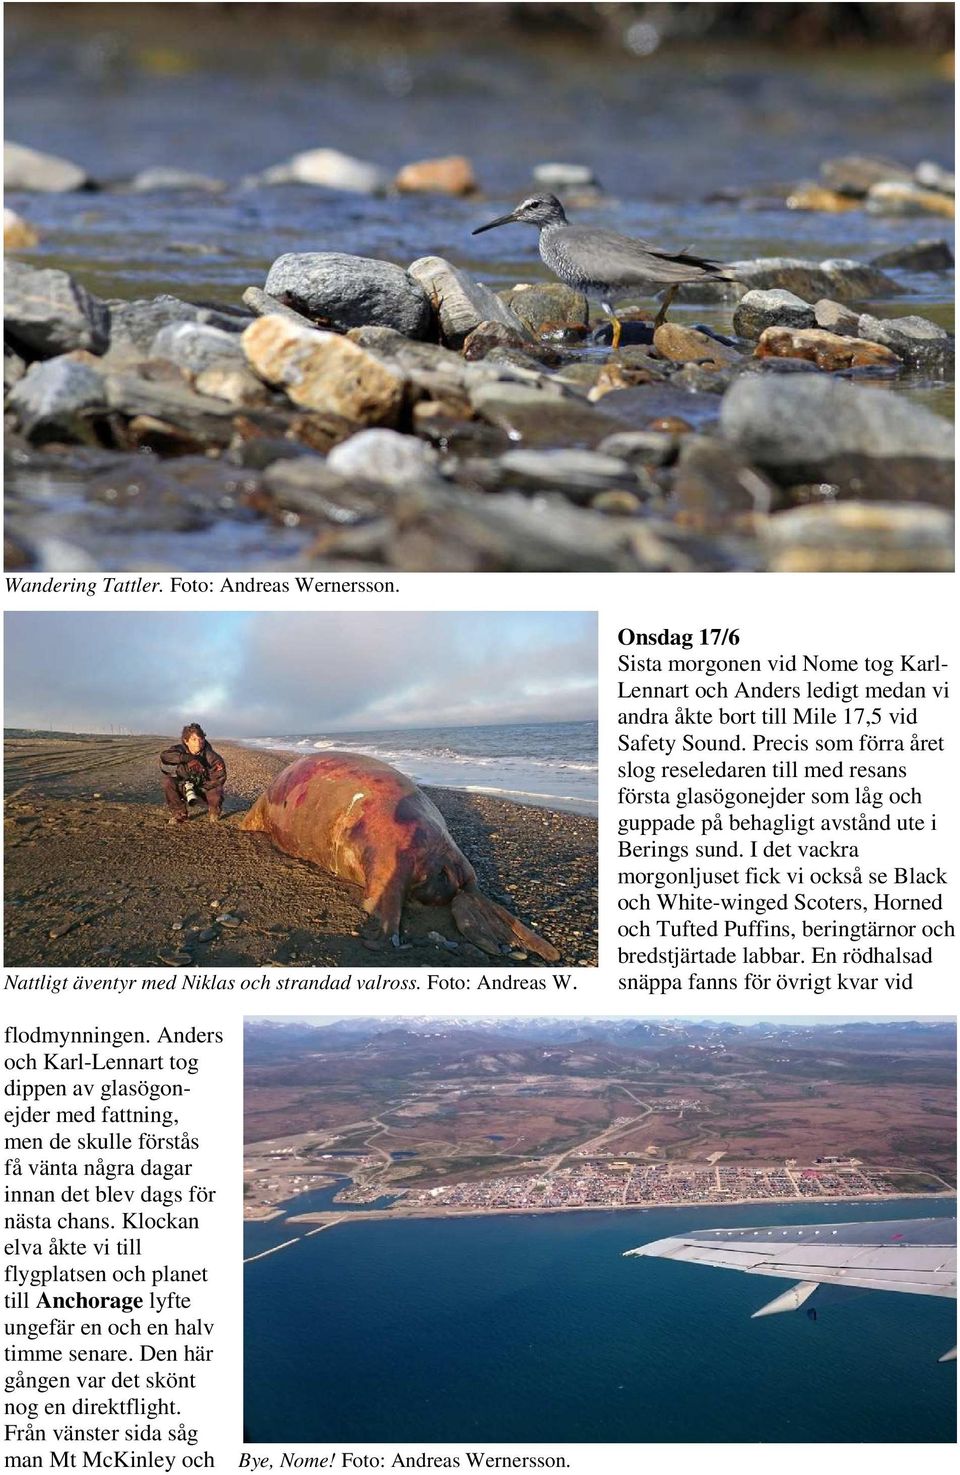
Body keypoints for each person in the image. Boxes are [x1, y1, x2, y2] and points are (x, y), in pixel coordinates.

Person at [159, 724, 227, 825]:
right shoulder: (180, 750)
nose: (198, 743)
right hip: (185, 786)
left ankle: (214, 811)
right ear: (186, 741)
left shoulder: (212, 757)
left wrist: (202, 785)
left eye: (201, 739)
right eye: (194, 739)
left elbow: (219, 778)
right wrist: (187, 758)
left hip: (205, 788)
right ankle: (180, 814)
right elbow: (165, 756)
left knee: (217, 789)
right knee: (167, 781)